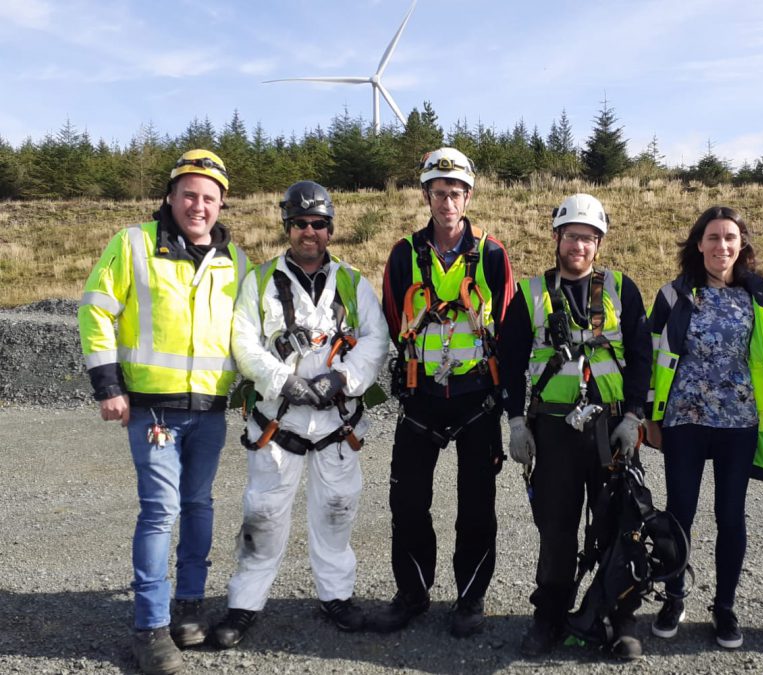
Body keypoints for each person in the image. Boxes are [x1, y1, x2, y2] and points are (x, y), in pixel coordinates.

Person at [78, 149, 251, 675]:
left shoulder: (235, 261)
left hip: (212, 410)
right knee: (160, 512)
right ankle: (149, 628)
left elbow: (246, 335)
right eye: (189, 195)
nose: (198, 206)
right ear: (171, 197)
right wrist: (108, 384)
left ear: (221, 204)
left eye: (209, 198)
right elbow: (96, 309)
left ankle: (190, 608)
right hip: (153, 410)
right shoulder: (132, 244)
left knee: (200, 505)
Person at [210, 181, 388, 648]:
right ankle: (244, 605)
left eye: (318, 224)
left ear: (330, 229)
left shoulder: (352, 282)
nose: (309, 232)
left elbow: (375, 340)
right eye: (300, 223)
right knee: (263, 515)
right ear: (288, 226)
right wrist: (279, 381)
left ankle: (337, 597)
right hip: (277, 424)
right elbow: (243, 340)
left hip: (336, 426)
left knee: (336, 512)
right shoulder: (261, 280)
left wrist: (342, 380)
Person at [500, 193, 653, 660]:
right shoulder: (530, 293)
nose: (579, 246)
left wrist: (633, 417)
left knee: (620, 525)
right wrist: (516, 422)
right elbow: (508, 360)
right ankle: (549, 615)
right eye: (572, 237)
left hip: (611, 430)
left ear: (599, 243)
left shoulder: (622, 289)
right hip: (553, 430)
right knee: (558, 529)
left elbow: (643, 356)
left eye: (588, 238)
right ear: (556, 238)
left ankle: (621, 619)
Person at [372, 147, 513, 638]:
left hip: (477, 397)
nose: (447, 202)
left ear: (468, 196)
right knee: (408, 502)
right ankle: (412, 593)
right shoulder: (404, 254)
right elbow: (394, 318)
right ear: (426, 196)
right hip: (421, 396)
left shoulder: (492, 254)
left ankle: (470, 597)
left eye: (455, 193)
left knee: (477, 504)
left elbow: (508, 322)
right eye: (438, 193)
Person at [644, 206, 763, 647]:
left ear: (742, 245)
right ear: (699, 244)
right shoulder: (673, 295)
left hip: (739, 423)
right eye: (713, 237)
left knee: (731, 516)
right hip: (684, 421)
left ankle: (725, 608)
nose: (722, 246)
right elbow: (655, 359)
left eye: (730, 238)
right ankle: (674, 597)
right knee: (680, 514)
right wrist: (653, 417)